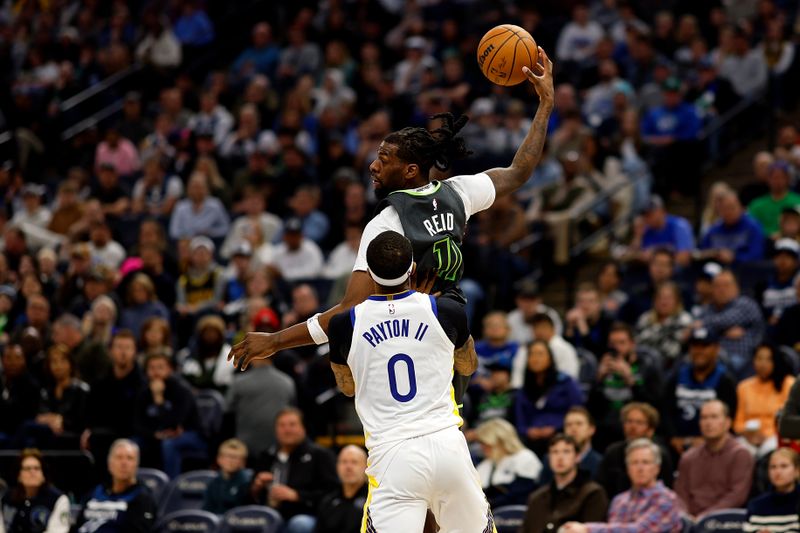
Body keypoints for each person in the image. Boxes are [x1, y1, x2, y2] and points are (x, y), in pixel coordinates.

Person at [228, 48, 555, 397]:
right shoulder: (458, 192)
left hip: (408, 335)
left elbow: (349, 310)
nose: (373, 166)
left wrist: (276, 340)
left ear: (411, 170)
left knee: (350, 331)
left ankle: (345, 362)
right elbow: (519, 171)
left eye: (383, 159)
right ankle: (458, 344)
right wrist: (545, 105)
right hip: (441, 323)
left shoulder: (386, 223)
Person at [326, 231, 493, 531]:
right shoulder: (445, 311)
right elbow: (468, 365)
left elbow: (347, 387)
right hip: (446, 445)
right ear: (412, 269)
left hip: (392, 455)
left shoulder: (344, 324)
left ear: (368, 273)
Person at [560, 439, 682, 533]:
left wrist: (587, 529)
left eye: (645, 462)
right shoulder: (619, 500)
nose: (640, 468)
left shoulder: (667, 499)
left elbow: (640, 530)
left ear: (657, 468)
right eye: (634, 463)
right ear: (628, 468)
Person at [249, 408, 338, 533]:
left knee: (299, 524)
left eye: (292, 424)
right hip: (269, 514)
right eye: (282, 425)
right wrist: (256, 487)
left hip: (307, 514)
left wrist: (297, 496)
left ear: (303, 428)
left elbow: (332, 493)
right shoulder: (266, 456)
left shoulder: (320, 455)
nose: (287, 429)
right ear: (276, 430)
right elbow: (248, 498)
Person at [675, 400, 755, 518]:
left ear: (727, 422)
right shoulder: (688, 458)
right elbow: (680, 495)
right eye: (704, 418)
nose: (708, 423)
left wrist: (706, 517)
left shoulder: (740, 454)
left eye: (714, 417)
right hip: (690, 522)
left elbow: (737, 495)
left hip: (724, 523)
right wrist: (686, 517)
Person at [663, 328, 737, 455]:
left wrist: (708, 438)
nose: (699, 351)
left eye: (705, 346)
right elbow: (666, 410)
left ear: (716, 349)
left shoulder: (725, 380)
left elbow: (730, 416)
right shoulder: (677, 377)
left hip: (713, 442)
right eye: (695, 346)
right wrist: (673, 437)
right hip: (677, 443)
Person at [133, 352, 206, 478]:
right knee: (130, 444)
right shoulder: (143, 392)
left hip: (190, 434)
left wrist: (159, 399)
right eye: (152, 368)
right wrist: (153, 434)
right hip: (155, 435)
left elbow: (174, 422)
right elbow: (136, 423)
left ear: (169, 369)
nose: (156, 372)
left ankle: (170, 486)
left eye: (160, 367)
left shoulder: (181, 390)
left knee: (169, 444)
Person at [589, 322, 663, 447]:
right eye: (613, 344)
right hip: (606, 429)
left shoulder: (647, 367)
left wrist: (630, 378)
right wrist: (599, 380)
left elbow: (654, 404)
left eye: (622, 343)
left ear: (632, 344)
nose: (617, 348)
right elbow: (592, 408)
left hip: (636, 427)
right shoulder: (603, 366)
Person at [520, 434, 609, 533]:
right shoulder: (536, 498)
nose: (560, 457)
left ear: (577, 457)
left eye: (566, 451)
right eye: (554, 452)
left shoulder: (593, 493)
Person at [516, 340, 584, 454]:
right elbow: (520, 417)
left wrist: (557, 427)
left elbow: (577, 410)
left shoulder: (566, 382)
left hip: (561, 433)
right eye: (532, 354)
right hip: (530, 439)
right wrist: (527, 431)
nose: (535, 358)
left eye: (540, 354)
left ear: (550, 358)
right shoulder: (524, 388)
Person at [694, 269, 766, 378]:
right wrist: (723, 332)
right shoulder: (708, 309)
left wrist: (709, 328)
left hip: (743, 360)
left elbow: (723, 321)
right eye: (717, 286)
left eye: (726, 285)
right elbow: (696, 332)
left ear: (736, 287)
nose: (721, 289)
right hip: (711, 357)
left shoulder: (745, 304)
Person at [75, 439, 157, 533]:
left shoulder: (143, 497)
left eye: (129, 458)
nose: (124, 463)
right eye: (119, 457)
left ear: (136, 464)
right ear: (109, 463)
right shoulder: (94, 492)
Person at [596, 402, 674, 499]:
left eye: (639, 423)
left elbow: (668, 486)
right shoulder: (612, 452)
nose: (633, 427)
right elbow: (602, 486)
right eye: (629, 421)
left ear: (651, 430)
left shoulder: (660, 454)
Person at [734, 344, 794, 458]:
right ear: (753, 361)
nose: (763, 364)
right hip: (749, 437)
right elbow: (738, 423)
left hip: (777, 436)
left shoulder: (789, 384)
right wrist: (748, 434)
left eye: (768, 359)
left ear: (776, 361)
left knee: (771, 449)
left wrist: (766, 435)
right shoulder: (743, 387)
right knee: (737, 450)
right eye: (759, 358)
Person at [474, 418, 543, 508]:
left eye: (485, 443)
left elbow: (525, 492)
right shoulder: (485, 465)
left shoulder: (525, 457)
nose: (482, 447)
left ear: (500, 441)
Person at [1, 449, 70, 533]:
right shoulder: (6, 498)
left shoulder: (58, 499)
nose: (32, 472)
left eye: (37, 468)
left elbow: (57, 531)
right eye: (27, 468)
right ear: (19, 475)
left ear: (43, 475)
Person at [698, 191, 765, 264]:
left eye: (731, 208)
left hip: (745, 269)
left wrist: (734, 257)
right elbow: (702, 252)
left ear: (740, 207)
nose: (728, 212)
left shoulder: (752, 227)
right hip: (717, 269)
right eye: (724, 209)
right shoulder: (714, 230)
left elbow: (757, 256)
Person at [314, 446, 369, 533]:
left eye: (354, 462)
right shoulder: (328, 501)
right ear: (337, 466)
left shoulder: (373, 500)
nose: (348, 467)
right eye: (344, 462)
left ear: (366, 467)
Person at [745, 448, 800, 533]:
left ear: (797, 471)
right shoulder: (756, 505)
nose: (778, 472)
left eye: (784, 466)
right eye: (773, 467)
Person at [202, 439, 251, 515]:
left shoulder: (247, 483)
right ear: (219, 459)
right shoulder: (213, 483)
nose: (230, 461)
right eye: (227, 456)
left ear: (243, 462)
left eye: (235, 457)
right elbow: (206, 511)